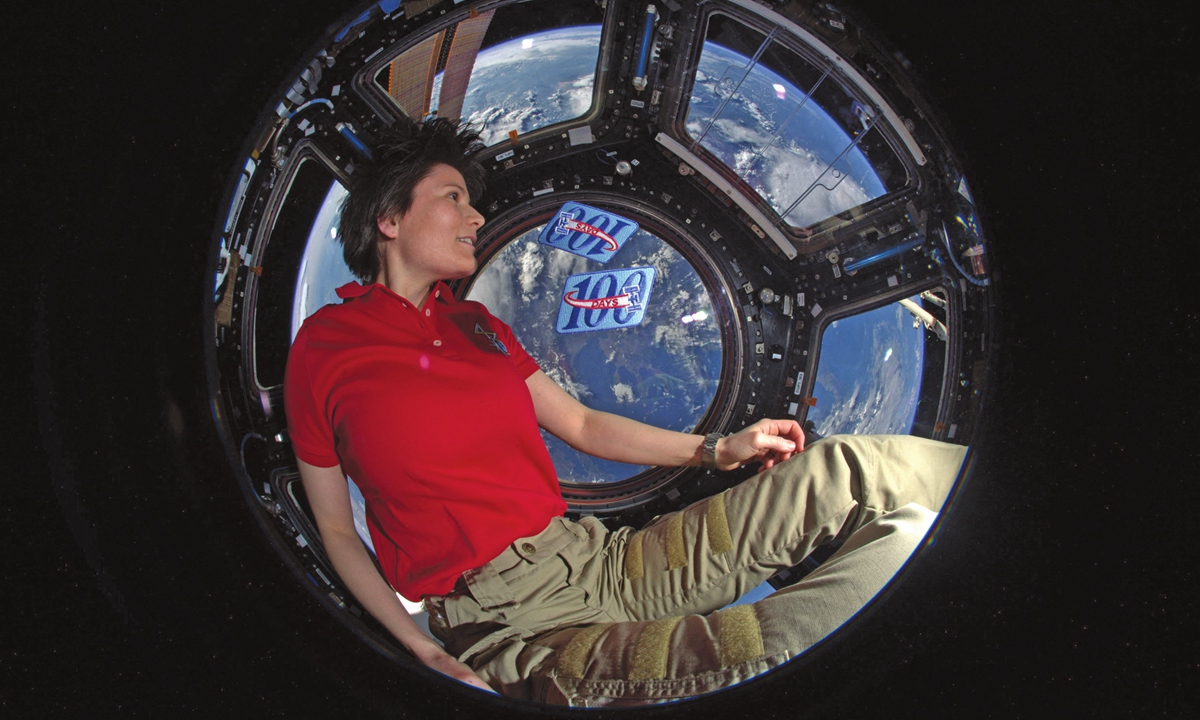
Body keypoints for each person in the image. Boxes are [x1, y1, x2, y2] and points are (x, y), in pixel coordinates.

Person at [284, 118, 967, 706]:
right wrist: (421, 651)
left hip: (600, 560)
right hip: (517, 627)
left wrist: (718, 449)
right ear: (390, 219)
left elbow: (581, 425)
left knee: (849, 473)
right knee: (799, 630)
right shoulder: (324, 349)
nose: (476, 218)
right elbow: (338, 534)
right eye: (454, 198)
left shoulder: (477, 325)